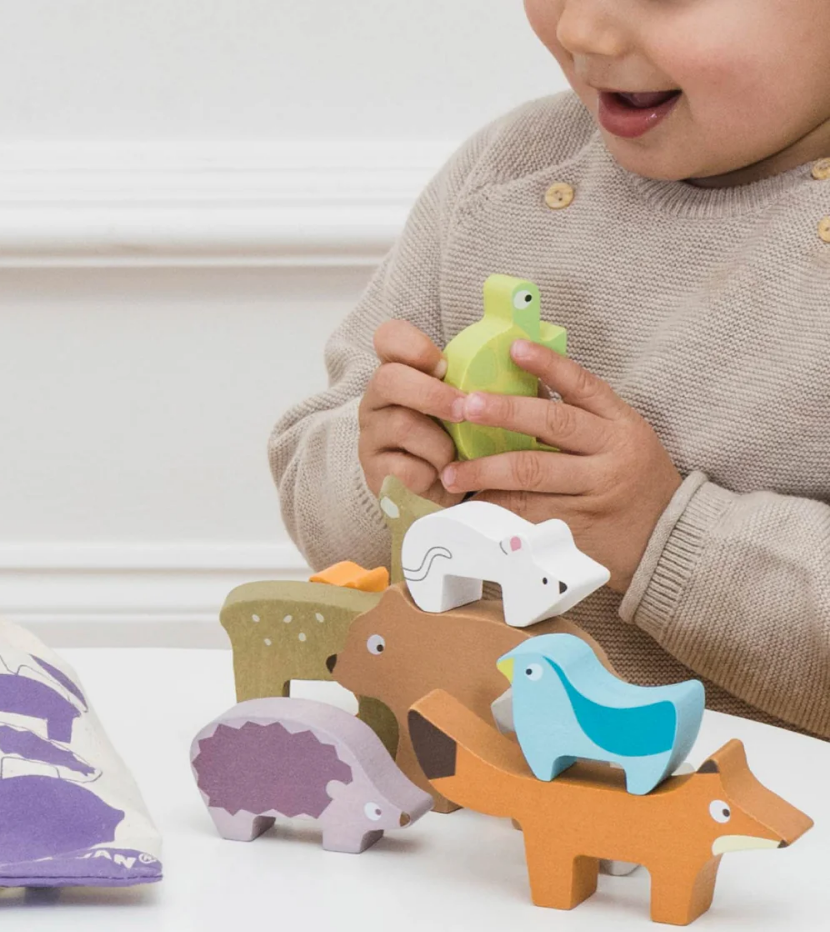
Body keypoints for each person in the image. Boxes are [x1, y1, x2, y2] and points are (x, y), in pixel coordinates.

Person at [269, 0, 830, 739]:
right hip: (458, 769)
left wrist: (663, 534)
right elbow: (313, 476)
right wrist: (386, 481)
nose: (579, 29)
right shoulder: (507, 173)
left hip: (754, 798)